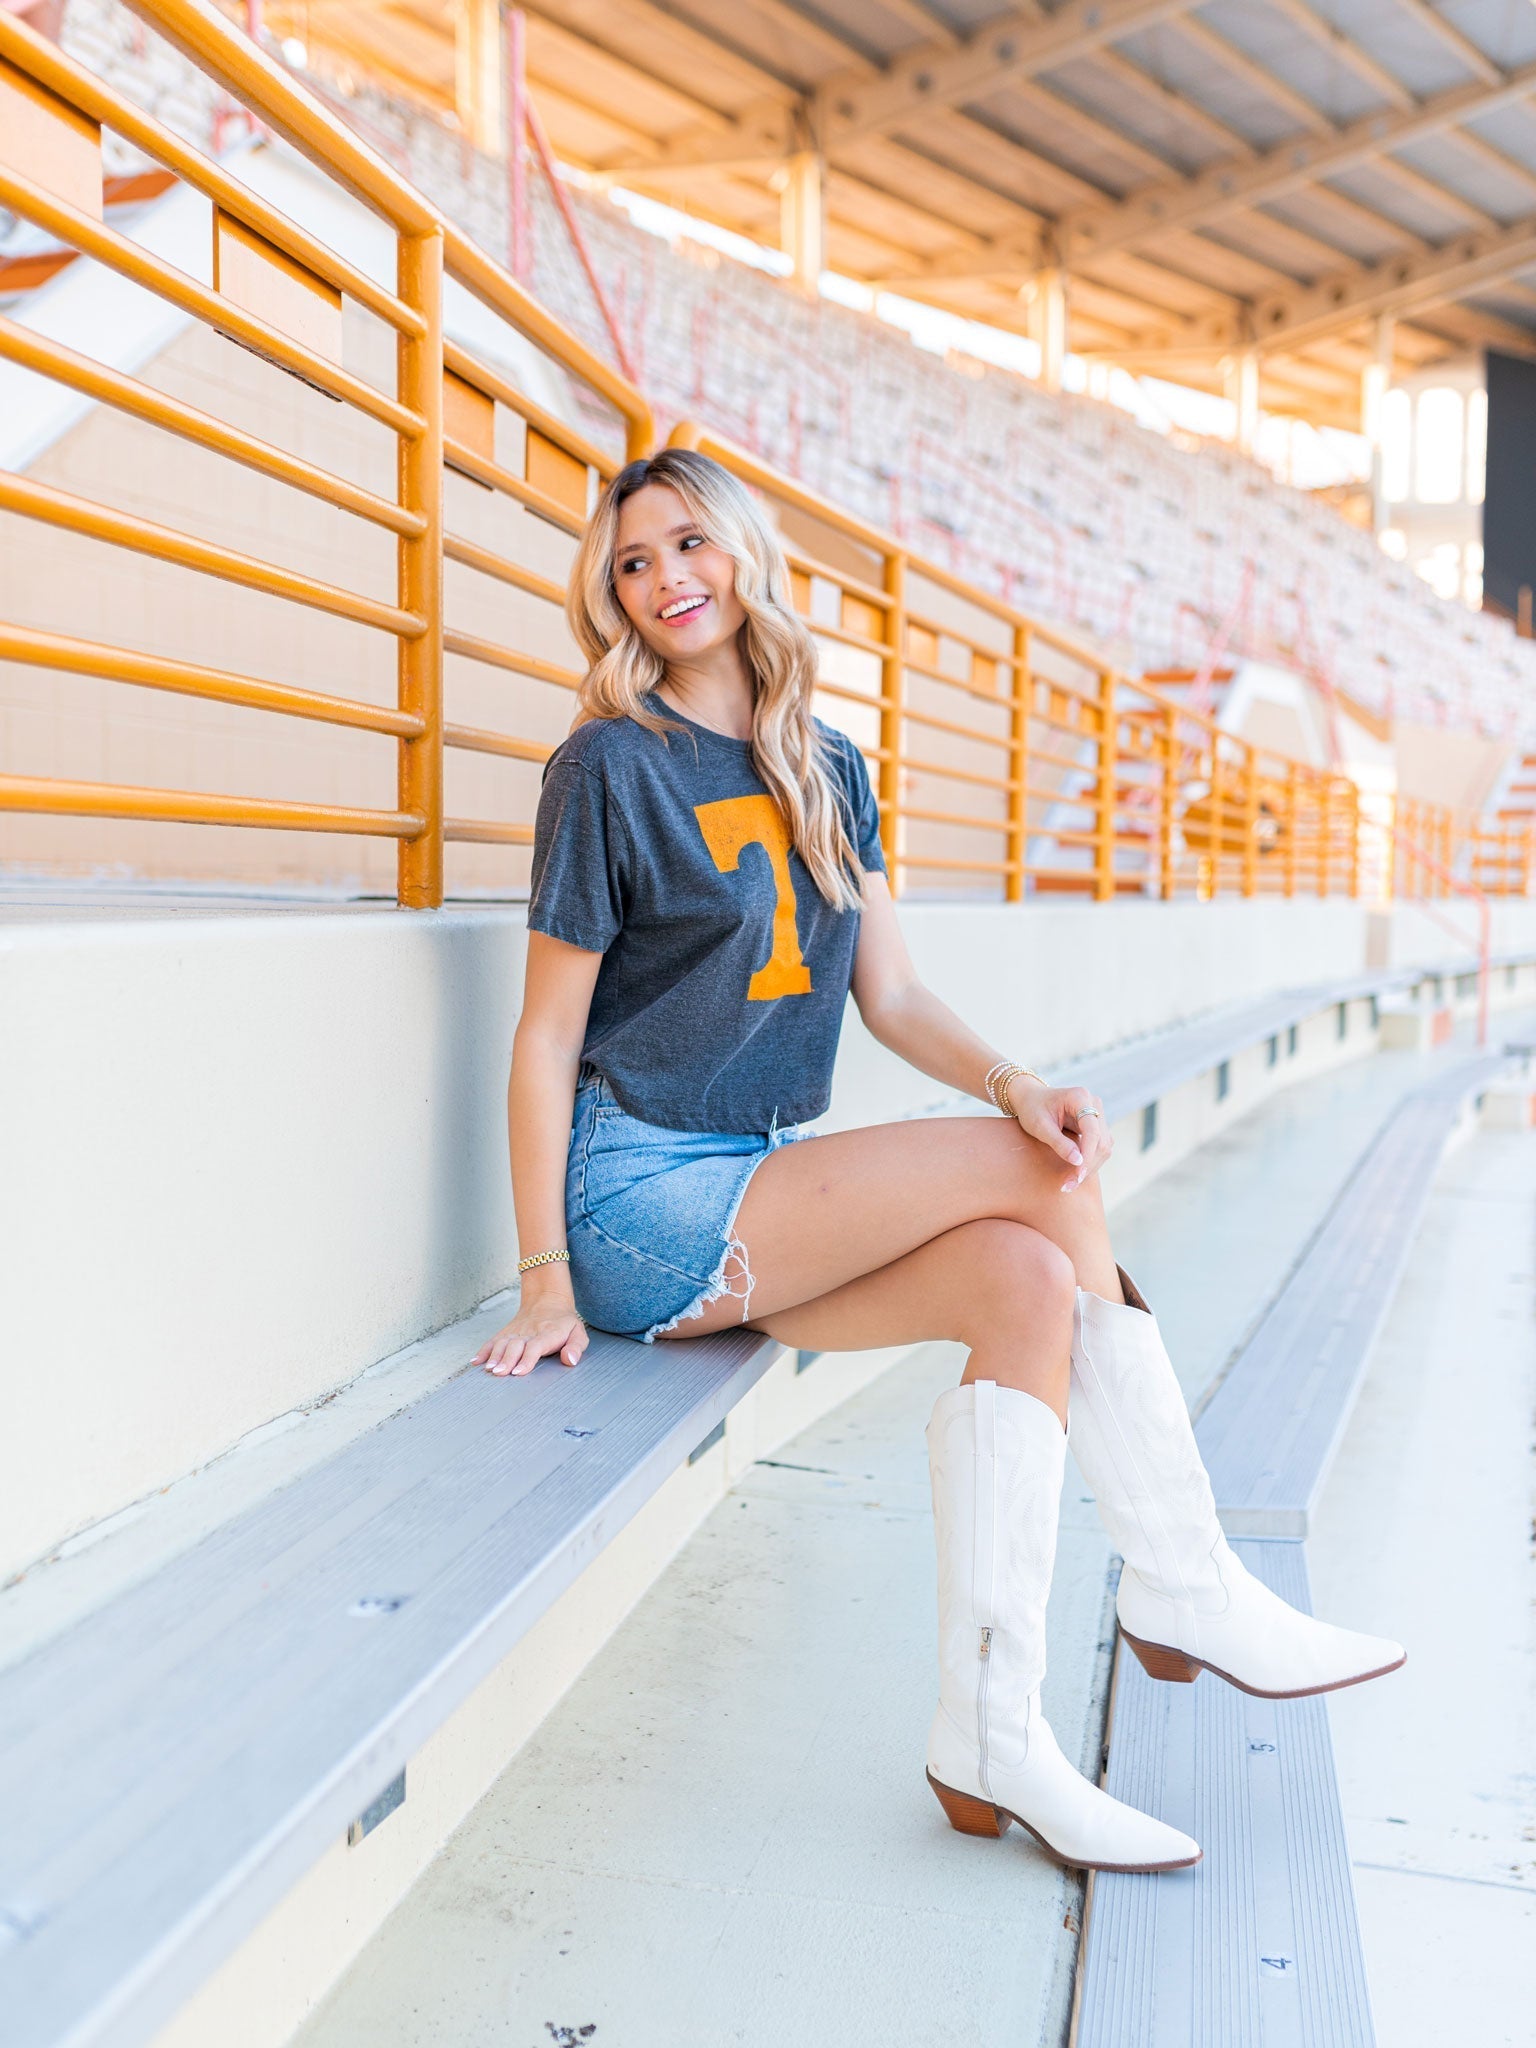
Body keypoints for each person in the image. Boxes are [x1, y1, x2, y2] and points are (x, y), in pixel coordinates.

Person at [474, 447, 1403, 1872]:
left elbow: (892, 995)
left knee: (1026, 1282)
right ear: (607, 599)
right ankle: (1184, 1578)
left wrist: (1015, 1081)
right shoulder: (607, 766)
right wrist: (543, 1276)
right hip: (642, 1196)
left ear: (743, 553)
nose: (663, 581)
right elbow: (547, 1040)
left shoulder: (830, 765)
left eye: (684, 545)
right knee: (1050, 1185)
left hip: (755, 1184)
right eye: (630, 565)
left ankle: (992, 1730)